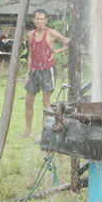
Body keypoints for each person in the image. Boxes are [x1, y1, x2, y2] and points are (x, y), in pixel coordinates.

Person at [21, 9, 70, 138]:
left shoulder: (51, 33)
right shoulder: (30, 35)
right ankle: (28, 130)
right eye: (37, 19)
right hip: (35, 71)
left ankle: (45, 133)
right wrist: (27, 74)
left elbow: (69, 43)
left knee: (46, 102)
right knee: (28, 101)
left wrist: (56, 52)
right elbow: (30, 55)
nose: (39, 21)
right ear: (33, 20)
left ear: (46, 20)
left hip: (48, 70)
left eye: (42, 19)